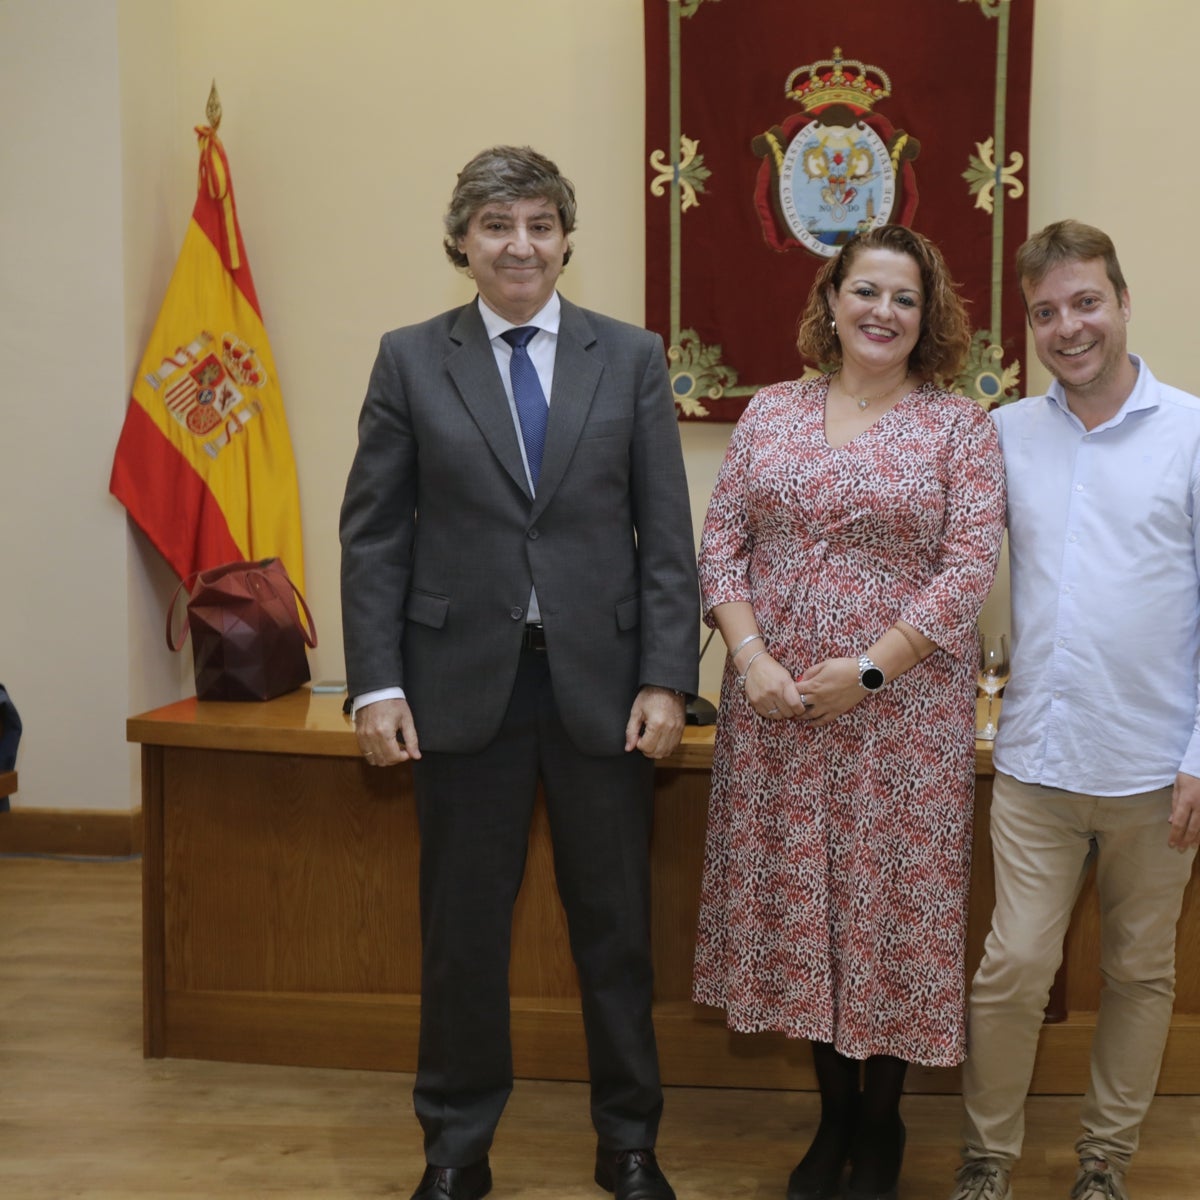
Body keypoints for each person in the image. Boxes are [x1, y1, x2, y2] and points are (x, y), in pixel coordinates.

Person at [339, 145, 698, 1200]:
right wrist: (376, 684)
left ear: (567, 238)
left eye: (539, 224)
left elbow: (665, 537)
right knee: (461, 939)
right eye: (497, 226)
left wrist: (668, 677)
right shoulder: (411, 359)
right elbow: (374, 537)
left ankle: (628, 1142)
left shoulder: (626, 356)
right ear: (462, 242)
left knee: (616, 936)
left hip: (604, 692)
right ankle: (456, 1149)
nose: (520, 246)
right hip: (458, 693)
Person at [693, 224, 1006, 1200]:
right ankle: (832, 1123)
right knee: (808, 914)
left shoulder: (961, 427)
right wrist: (749, 660)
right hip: (776, 714)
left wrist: (867, 672)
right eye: (865, 291)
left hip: (899, 724)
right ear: (832, 300)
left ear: (929, 318)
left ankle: (883, 1125)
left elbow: (966, 573)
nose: (882, 312)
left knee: (887, 911)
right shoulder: (770, 412)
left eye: (904, 298)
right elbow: (721, 547)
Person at [948, 220, 1200, 1200]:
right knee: (1011, 970)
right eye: (1046, 312)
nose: (1069, 327)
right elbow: (951, 568)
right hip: (1037, 766)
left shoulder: (1192, 432)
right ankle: (987, 1160)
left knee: (1141, 979)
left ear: (1124, 301)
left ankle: (1104, 1162)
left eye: (1085, 302)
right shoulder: (1004, 434)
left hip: (1156, 775)